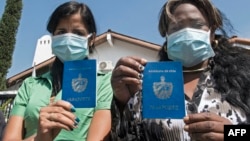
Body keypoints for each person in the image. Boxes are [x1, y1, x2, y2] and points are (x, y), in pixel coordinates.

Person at [110, 0, 250, 141]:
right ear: (167, 36)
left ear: (212, 31)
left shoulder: (244, 77)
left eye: (197, 25)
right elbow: (125, 137)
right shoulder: (148, 85)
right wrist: (122, 103)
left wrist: (232, 133)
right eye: (176, 27)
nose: (187, 33)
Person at [2, 1, 113, 141]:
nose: (68, 38)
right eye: (61, 32)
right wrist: (40, 138)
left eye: (78, 32)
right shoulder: (30, 85)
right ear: (53, 38)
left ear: (91, 39)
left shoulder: (103, 83)